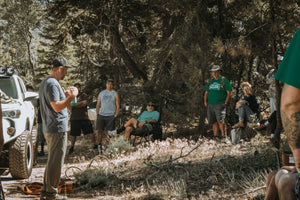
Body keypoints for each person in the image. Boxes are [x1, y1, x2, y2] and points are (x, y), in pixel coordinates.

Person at [39, 57, 78, 200]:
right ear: (60, 68)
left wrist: (65, 95)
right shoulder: (52, 84)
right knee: (56, 163)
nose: (66, 74)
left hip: (50, 127)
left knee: (52, 161)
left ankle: (46, 192)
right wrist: (72, 96)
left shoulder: (46, 82)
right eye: (65, 70)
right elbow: (56, 106)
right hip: (56, 128)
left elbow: (54, 103)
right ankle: (51, 194)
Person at [257, 55, 283, 143]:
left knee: (277, 114)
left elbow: (281, 81)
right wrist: (276, 77)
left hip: (281, 96)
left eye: (280, 61)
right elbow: (267, 80)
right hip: (272, 95)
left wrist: (276, 78)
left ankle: (266, 125)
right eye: (277, 61)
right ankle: (272, 135)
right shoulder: (272, 71)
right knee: (274, 114)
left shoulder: (285, 71)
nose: (278, 63)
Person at [204, 65, 232, 138]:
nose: (214, 74)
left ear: (219, 72)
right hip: (210, 104)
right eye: (213, 72)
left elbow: (229, 93)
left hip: (220, 104)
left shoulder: (224, 80)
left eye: (216, 72)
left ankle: (224, 136)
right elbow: (206, 92)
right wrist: (205, 102)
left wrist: (226, 102)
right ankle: (216, 136)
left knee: (221, 121)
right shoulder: (210, 81)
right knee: (213, 122)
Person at [68, 83, 96, 154]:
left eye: (78, 87)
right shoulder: (71, 96)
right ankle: (72, 147)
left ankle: (94, 145)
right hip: (74, 117)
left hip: (84, 117)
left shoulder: (83, 95)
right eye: (75, 88)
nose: (77, 89)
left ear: (80, 88)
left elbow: (85, 103)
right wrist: (78, 104)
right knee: (73, 134)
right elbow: (70, 106)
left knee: (90, 131)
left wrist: (75, 105)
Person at [95, 79, 120, 154]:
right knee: (99, 131)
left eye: (111, 84)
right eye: (108, 84)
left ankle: (107, 147)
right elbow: (98, 104)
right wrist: (97, 114)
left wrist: (115, 115)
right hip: (101, 115)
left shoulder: (115, 93)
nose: (110, 85)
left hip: (111, 116)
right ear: (106, 84)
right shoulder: (102, 93)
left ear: (112, 85)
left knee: (109, 133)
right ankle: (99, 146)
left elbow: (118, 105)